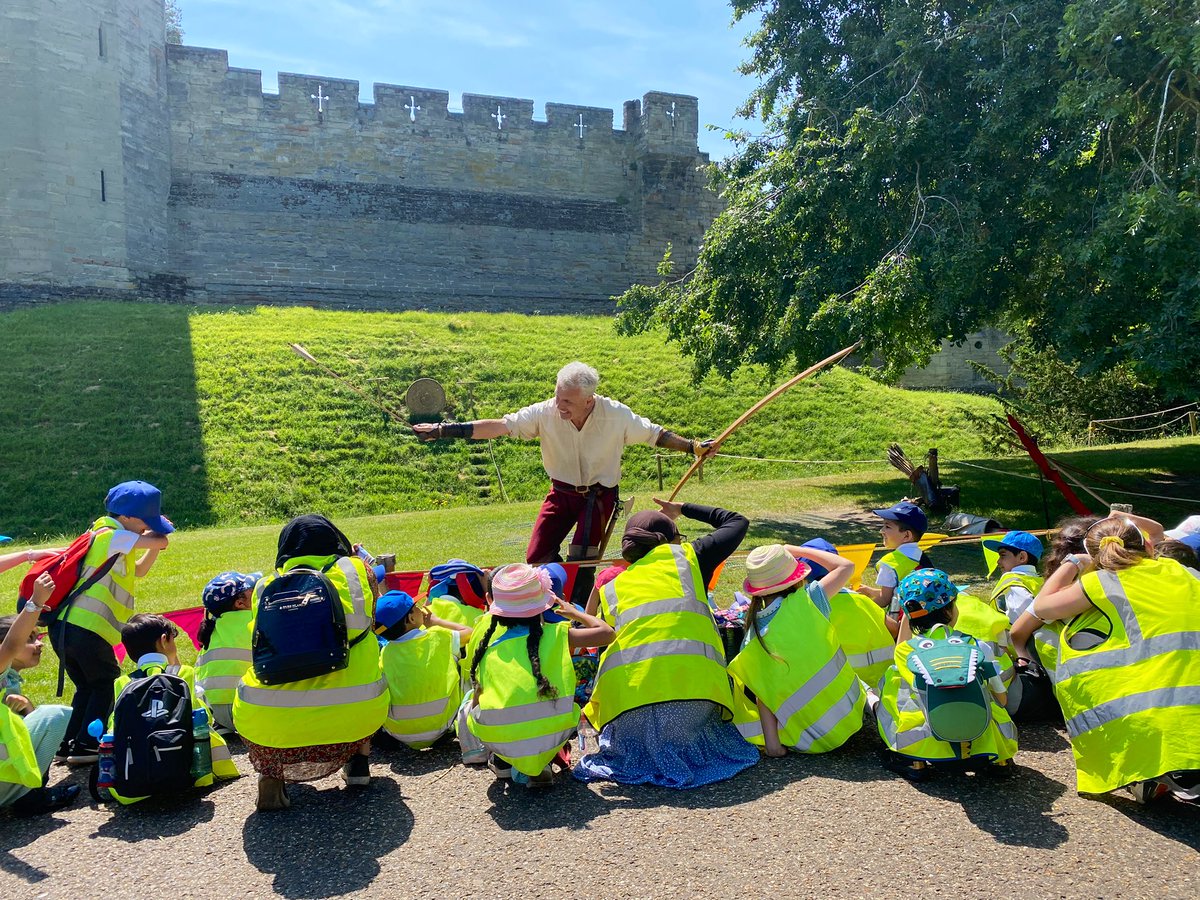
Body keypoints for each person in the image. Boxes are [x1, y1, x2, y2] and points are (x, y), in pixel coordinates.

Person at [413, 362, 713, 600]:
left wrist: (692, 446)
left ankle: (579, 607)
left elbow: (655, 434)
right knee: (536, 555)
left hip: (599, 496)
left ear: (588, 399)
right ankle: (551, 600)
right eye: (558, 398)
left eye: (568, 401)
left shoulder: (616, 414)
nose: (560, 406)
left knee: (584, 559)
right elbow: (501, 426)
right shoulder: (545, 412)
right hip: (561, 493)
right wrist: (442, 430)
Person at [575, 498, 759, 789]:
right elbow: (737, 522)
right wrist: (682, 509)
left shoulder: (613, 586)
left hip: (628, 710)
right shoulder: (688, 559)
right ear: (668, 540)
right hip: (693, 700)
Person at [1032, 515, 1200, 803]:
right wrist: (1121, 516)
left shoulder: (1101, 582)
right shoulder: (1178, 569)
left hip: (1148, 704)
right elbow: (1158, 531)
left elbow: (1042, 607)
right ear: (1147, 547)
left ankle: (1150, 768)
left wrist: (1073, 563)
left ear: (1095, 556)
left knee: (1051, 639)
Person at [232, 515, 388, 811]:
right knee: (370, 669)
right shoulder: (356, 571)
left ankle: (271, 776)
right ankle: (358, 764)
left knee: (253, 692)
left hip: (270, 721)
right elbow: (372, 614)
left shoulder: (265, 587)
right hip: (354, 713)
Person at [52, 480, 173, 765]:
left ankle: (69, 744)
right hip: (86, 628)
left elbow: (140, 569)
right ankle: (87, 745)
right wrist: (161, 531)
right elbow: (162, 540)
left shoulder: (111, 537)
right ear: (127, 517)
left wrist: (154, 539)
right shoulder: (110, 536)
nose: (147, 527)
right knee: (105, 682)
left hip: (66, 627)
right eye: (145, 520)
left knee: (87, 686)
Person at [466, 564, 614, 787]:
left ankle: (512, 761)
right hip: (554, 729)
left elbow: (479, 700)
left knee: (473, 706)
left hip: (500, 735)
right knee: (558, 708)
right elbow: (607, 634)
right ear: (544, 605)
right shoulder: (559, 635)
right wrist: (575, 613)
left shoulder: (488, 648)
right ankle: (540, 760)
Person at [876, 568, 1017, 780]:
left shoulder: (906, 651)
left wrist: (909, 616)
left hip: (930, 744)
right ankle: (1001, 761)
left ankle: (916, 763)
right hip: (983, 744)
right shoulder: (976, 645)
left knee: (893, 683)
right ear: (951, 609)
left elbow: (903, 646)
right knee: (992, 700)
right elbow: (1003, 699)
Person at [729, 542, 865, 756]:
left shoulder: (752, 636)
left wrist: (773, 746)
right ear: (797, 576)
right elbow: (846, 566)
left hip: (806, 739)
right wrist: (797, 550)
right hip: (850, 716)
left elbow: (763, 695)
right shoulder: (809, 600)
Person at [108, 614, 240, 804]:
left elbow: (114, 724)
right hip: (188, 775)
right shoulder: (183, 673)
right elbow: (204, 716)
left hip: (136, 780)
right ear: (164, 640)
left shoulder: (122, 682)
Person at [0, 573, 79, 816]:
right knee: (55, 715)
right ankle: (31, 796)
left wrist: (27, 708)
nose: (40, 644)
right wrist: (35, 602)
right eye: (30, 638)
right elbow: (11, 645)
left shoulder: (10, 680)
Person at [375, 589, 473, 750]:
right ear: (411, 618)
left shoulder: (386, 652)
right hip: (442, 725)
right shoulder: (437, 636)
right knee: (461, 662)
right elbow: (470, 633)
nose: (422, 609)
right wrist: (436, 621)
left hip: (398, 732)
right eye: (416, 607)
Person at [802, 538, 897, 689]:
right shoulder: (860, 599)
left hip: (849, 687)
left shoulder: (809, 606)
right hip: (886, 682)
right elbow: (894, 628)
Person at [196, 570, 260, 734]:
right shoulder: (254, 620)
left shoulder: (212, 628)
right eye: (251, 590)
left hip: (214, 713)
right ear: (240, 603)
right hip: (245, 709)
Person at [859, 502, 933, 617]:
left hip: (904, 622)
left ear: (906, 536)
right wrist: (871, 592)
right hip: (929, 615)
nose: (881, 531)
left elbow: (884, 599)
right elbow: (898, 592)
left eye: (887, 527)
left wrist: (861, 608)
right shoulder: (920, 556)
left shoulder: (889, 563)